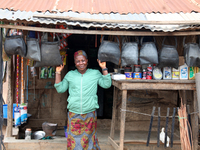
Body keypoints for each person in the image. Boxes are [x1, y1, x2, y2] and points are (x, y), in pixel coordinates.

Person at [54, 50, 111, 150]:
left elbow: (106, 84)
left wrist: (104, 68)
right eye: (78, 61)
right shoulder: (70, 75)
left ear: (87, 61)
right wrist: (58, 72)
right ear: (75, 63)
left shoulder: (95, 73)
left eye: (83, 60)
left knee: (89, 140)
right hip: (74, 113)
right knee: (74, 140)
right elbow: (60, 89)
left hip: (90, 113)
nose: (81, 63)